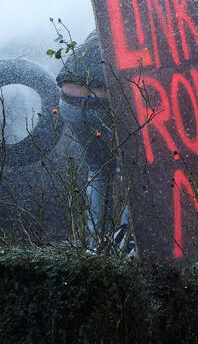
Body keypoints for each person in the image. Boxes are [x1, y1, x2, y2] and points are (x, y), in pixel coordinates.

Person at [56, 30, 132, 255]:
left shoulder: (104, 21)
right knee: (136, 169)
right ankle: (126, 240)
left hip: (69, 100)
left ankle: (98, 243)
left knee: (98, 169)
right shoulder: (143, 27)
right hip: (102, 102)